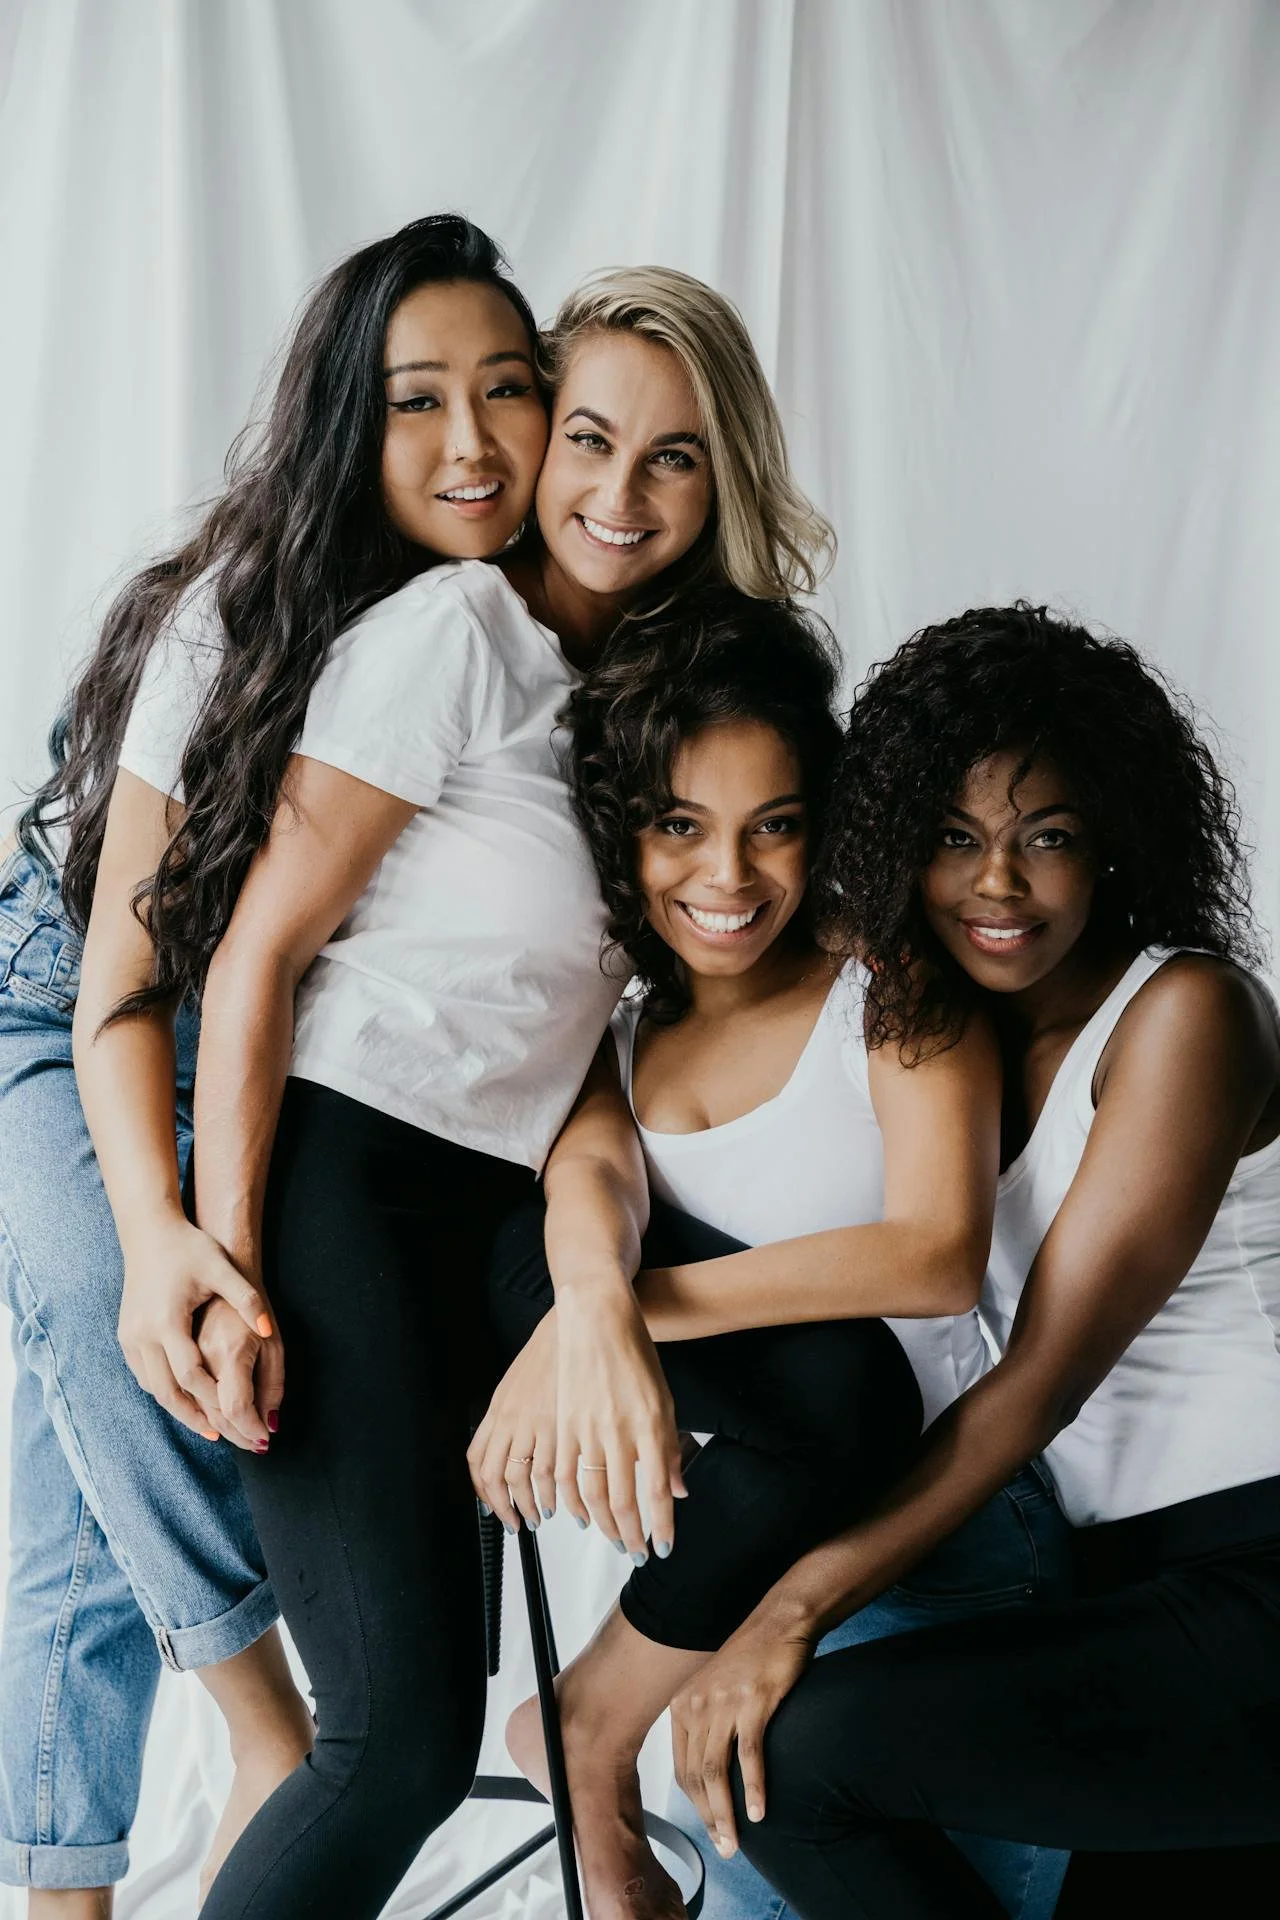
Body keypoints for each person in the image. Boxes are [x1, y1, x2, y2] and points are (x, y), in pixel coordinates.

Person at [118, 268, 834, 1920]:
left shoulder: (662, 710)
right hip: (339, 1193)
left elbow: (587, 1052)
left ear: (719, 482)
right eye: (587, 438)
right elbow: (259, 958)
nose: (615, 492)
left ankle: (584, 1723)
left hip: (505, 1202)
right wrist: (227, 1258)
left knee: (837, 1404)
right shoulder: (455, 634)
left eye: (672, 460)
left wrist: (590, 1295)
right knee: (393, 1752)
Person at [0, 211, 547, 1918]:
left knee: (66, 1491)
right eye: (417, 402)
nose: (473, 446)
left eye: (510, 392)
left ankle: (59, 1888)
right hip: (78, 990)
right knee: (112, 1308)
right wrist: (176, 1237)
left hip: (274, 1041)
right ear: (341, 419)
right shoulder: (241, 611)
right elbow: (126, 986)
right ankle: (258, 1734)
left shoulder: (522, 624)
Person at [669, 604, 1280, 1917]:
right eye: (954, 840)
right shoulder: (946, 1050)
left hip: (1252, 1581)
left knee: (792, 1754)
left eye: (1044, 838)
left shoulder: (1185, 1016)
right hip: (1123, 1594)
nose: (997, 889)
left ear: (1113, 840)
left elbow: (1042, 1378)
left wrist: (783, 1616)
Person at [471, 589, 1072, 1920]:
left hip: (946, 1548)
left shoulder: (895, 993)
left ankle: (583, 1724)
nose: (729, 879)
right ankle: (580, 1731)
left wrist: (613, 1324)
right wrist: (579, 1311)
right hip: (739, 1590)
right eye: (680, 826)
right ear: (620, 831)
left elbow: (931, 1257)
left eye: (774, 827)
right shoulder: (612, 1040)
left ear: (827, 821)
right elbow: (587, 1187)